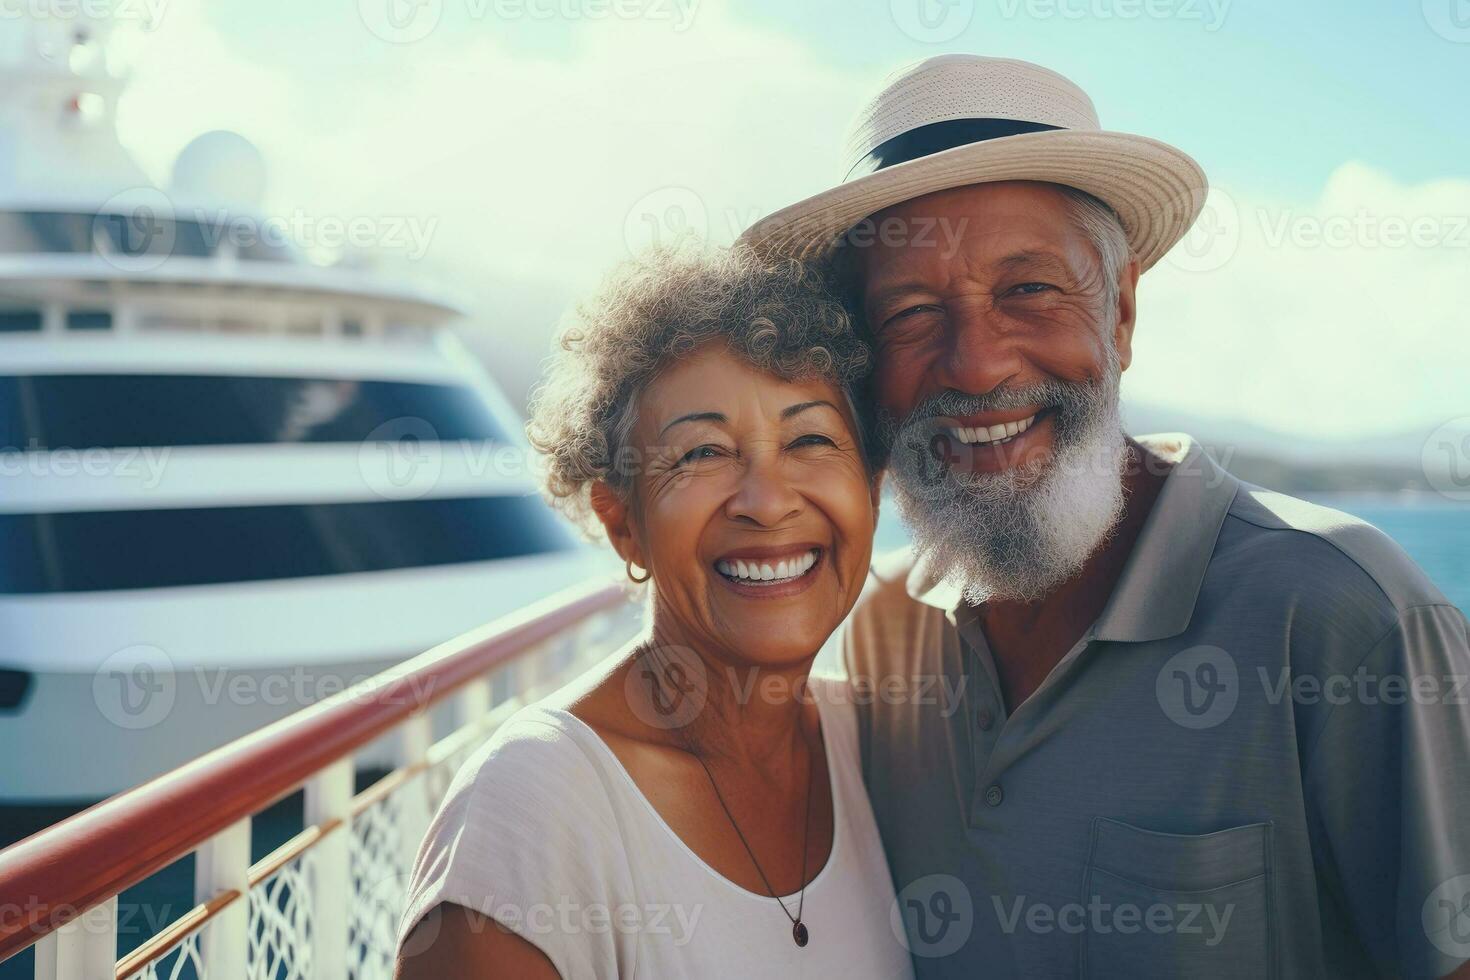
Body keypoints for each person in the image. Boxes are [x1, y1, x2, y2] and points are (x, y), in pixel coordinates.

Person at [743, 54, 1470, 978]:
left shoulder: (1340, 614)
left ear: (1121, 310)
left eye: (1028, 290)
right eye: (912, 312)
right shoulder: (879, 637)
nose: (976, 364)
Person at [394, 245, 914, 978]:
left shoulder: (875, 751)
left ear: (873, 487)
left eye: (809, 440)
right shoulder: (534, 808)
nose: (766, 501)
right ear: (622, 522)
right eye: (702, 453)